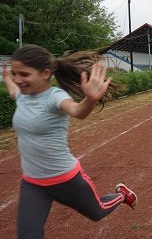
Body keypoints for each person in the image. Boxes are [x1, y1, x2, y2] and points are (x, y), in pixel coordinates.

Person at [2, 44, 137, 239]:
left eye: (24, 74)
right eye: (15, 74)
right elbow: (13, 89)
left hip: (65, 179)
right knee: (27, 235)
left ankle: (122, 194)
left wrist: (90, 99)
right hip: (33, 183)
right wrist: (8, 77)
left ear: (45, 73)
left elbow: (77, 111)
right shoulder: (22, 96)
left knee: (97, 212)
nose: (18, 79)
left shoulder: (55, 97)